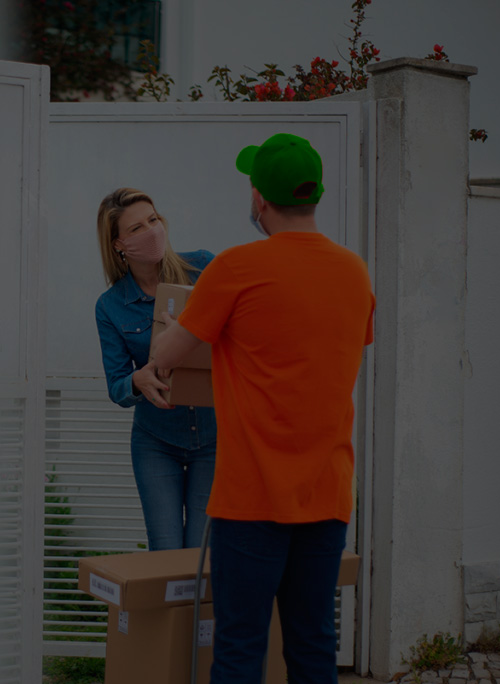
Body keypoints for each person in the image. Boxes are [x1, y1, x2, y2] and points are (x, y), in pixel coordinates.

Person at [148, 134, 375, 684]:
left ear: (258, 199)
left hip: (251, 499)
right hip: (326, 493)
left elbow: (165, 355)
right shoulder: (354, 272)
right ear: (315, 193)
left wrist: (191, 325)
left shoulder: (236, 268)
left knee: (240, 650)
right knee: (314, 644)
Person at [94, 188, 218, 551]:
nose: (152, 231)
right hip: (155, 442)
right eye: (137, 228)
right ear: (118, 245)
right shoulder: (111, 306)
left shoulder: (204, 268)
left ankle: (198, 612)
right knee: (165, 552)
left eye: (153, 219)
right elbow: (117, 385)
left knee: (200, 556)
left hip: (214, 438)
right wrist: (137, 379)